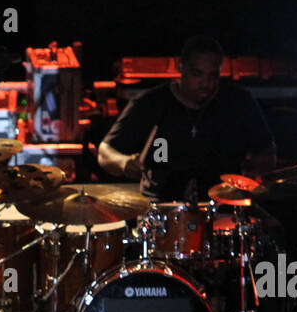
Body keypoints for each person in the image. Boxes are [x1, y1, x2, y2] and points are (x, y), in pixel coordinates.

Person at [97, 35, 275, 201]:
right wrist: (124, 163)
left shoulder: (238, 101)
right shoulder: (150, 103)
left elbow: (266, 150)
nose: (205, 84)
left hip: (224, 209)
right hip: (161, 210)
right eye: (197, 74)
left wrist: (255, 174)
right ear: (180, 67)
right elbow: (105, 152)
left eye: (212, 75)